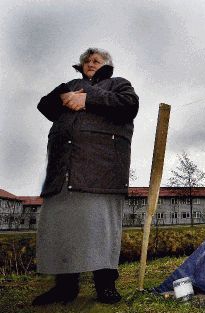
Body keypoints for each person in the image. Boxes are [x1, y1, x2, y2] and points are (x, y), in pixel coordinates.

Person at [33, 48, 139, 305]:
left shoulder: (118, 84)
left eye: (96, 61)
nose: (90, 63)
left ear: (107, 65)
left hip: (101, 169)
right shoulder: (70, 85)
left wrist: (87, 98)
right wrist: (67, 94)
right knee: (63, 229)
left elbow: (129, 106)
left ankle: (105, 285)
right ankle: (65, 288)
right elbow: (44, 106)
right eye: (86, 61)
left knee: (99, 228)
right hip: (63, 169)